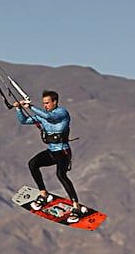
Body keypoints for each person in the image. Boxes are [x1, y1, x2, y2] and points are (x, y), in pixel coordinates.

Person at [13, 90, 89, 223]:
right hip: (52, 152)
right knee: (32, 164)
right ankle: (43, 194)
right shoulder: (42, 116)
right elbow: (24, 121)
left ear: (55, 102)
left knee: (61, 175)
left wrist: (30, 106)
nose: (46, 106)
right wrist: (19, 109)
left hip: (63, 152)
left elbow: (50, 118)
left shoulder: (62, 113)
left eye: (48, 103)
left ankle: (76, 206)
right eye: (44, 104)